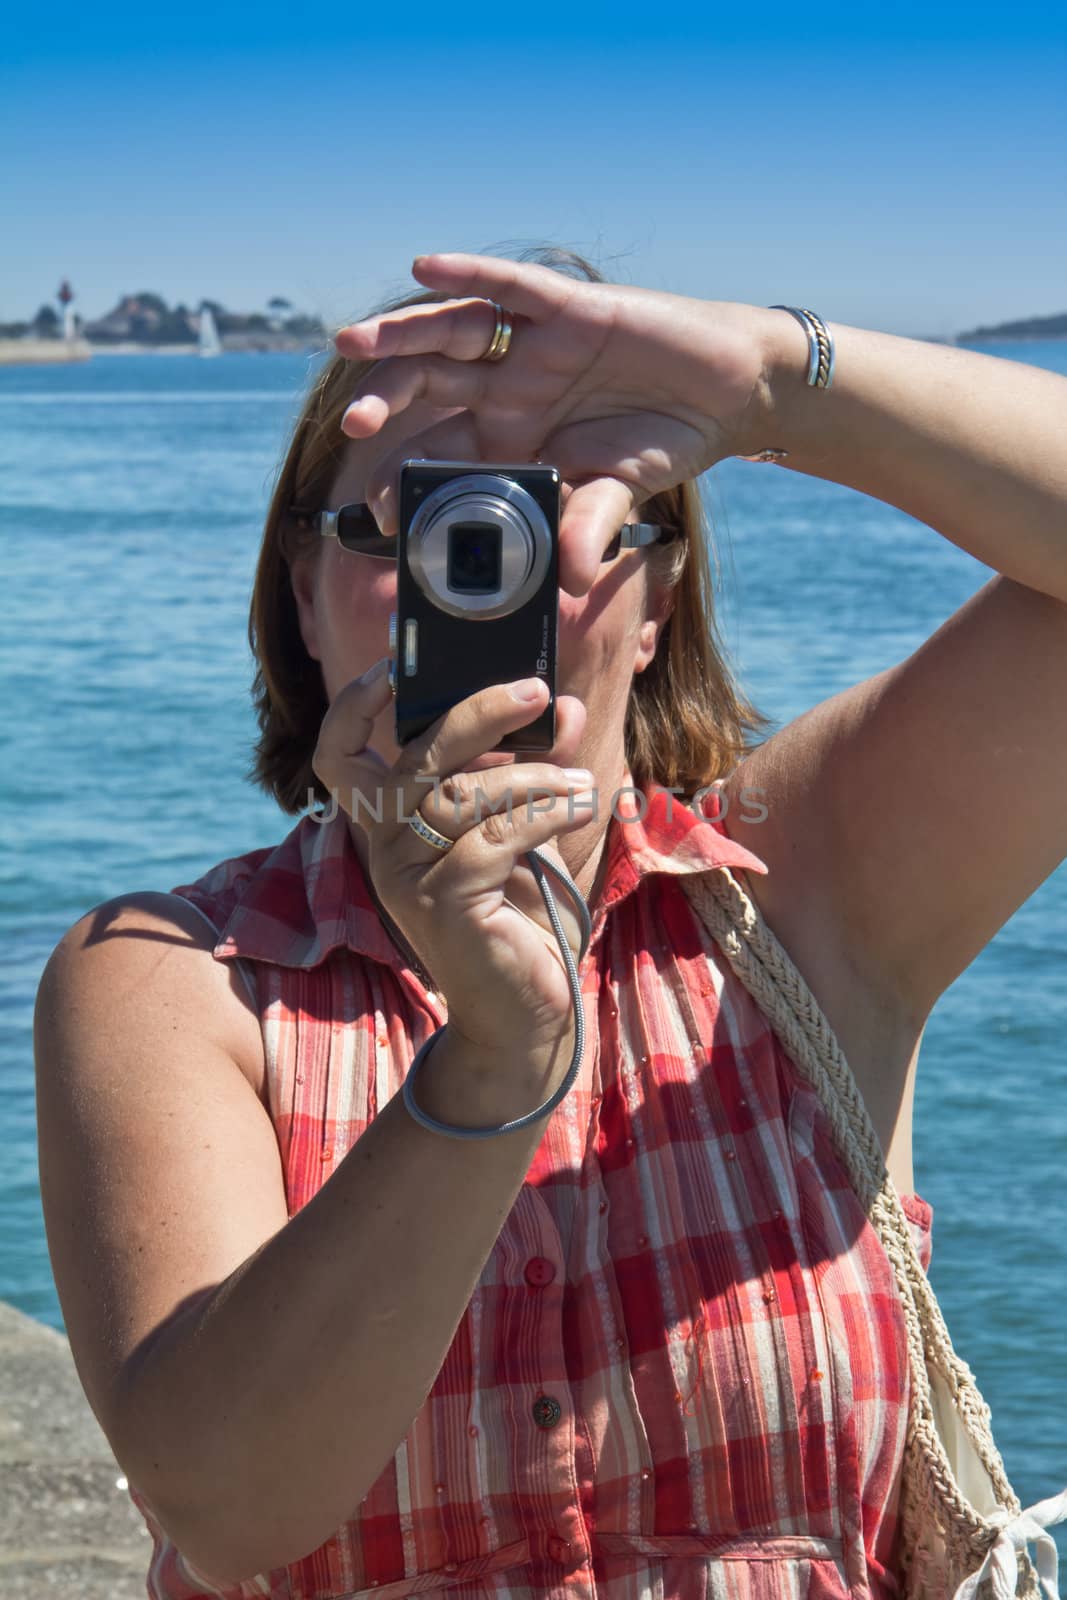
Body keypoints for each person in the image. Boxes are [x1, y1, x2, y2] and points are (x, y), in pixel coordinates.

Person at [33, 244, 1067, 1600]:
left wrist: (770, 381)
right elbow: (230, 1509)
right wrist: (497, 1062)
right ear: (303, 592)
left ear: (654, 603)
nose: (472, 573)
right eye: (414, 518)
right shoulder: (180, 980)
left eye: (547, 520)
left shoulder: (803, 886)